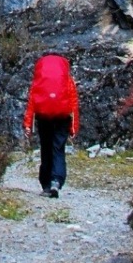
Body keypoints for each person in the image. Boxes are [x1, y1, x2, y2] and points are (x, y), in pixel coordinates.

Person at [23, 52, 80, 197]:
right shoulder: (67, 80)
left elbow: (32, 102)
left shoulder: (40, 80)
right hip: (62, 116)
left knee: (46, 148)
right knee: (58, 148)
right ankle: (57, 181)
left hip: (43, 116)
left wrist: (28, 124)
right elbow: (73, 103)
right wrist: (74, 127)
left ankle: (46, 185)